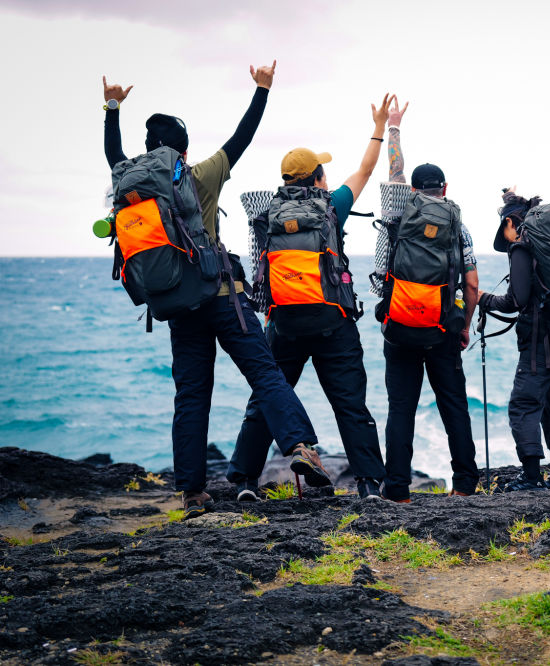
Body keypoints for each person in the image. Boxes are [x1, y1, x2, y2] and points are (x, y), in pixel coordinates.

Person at [102, 63, 328, 520]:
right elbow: (242, 138)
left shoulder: (130, 179)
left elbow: (113, 153)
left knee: (190, 394)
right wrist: (262, 90)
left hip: (176, 302)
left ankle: (191, 493)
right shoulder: (198, 174)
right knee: (264, 373)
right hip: (223, 294)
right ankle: (299, 445)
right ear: (183, 149)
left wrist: (112, 107)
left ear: (150, 151)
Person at [225, 95, 393, 502]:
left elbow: (261, 273)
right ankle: (369, 484)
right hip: (332, 322)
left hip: (283, 323)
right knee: (351, 405)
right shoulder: (332, 206)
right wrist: (379, 127)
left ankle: (246, 481)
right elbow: (366, 171)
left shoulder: (267, 214)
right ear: (317, 178)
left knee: (268, 397)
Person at [378, 97, 480, 502]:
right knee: (454, 405)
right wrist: (464, 323)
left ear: (413, 190)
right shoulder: (458, 223)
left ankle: (398, 489)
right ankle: (465, 486)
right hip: (442, 328)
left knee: (400, 408)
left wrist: (394, 127)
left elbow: (395, 169)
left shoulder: (397, 211)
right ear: (445, 189)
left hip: (400, 327)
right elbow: (471, 284)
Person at [478, 189, 550, 492]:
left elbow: (517, 299)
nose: (507, 238)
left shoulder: (524, 247)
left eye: (505, 230)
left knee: (522, 404)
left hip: (541, 343)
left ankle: (532, 476)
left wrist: (485, 299)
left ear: (511, 222)